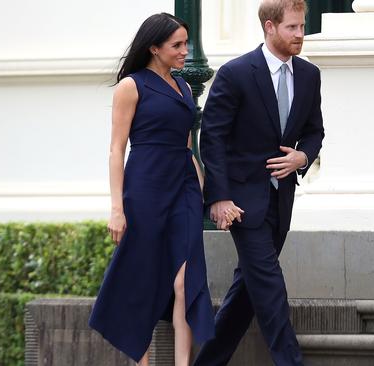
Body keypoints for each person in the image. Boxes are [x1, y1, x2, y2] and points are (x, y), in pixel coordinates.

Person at [193, 0, 324, 365]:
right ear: (269, 27)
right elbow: (213, 139)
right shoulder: (235, 73)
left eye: (302, 27)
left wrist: (302, 157)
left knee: (247, 291)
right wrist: (218, 197)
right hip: (242, 204)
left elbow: (315, 130)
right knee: (268, 285)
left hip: (282, 201)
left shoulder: (310, 75)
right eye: (292, 28)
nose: (300, 35)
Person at [88, 13, 215, 366]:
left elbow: (188, 143)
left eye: (186, 43)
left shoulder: (185, 87)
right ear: (154, 48)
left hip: (185, 187)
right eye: (176, 45)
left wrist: (203, 190)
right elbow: (117, 148)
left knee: (184, 284)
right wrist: (117, 207)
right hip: (145, 186)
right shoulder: (131, 86)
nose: (185, 51)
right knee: (141, 276)